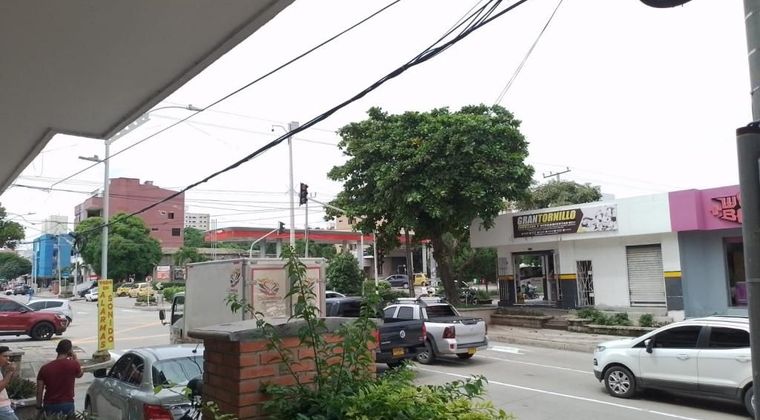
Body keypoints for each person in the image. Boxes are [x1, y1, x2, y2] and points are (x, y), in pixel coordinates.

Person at [36, 340, 83, 417]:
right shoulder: (74, 364)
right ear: (69, 351)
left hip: (49, 404)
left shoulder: (44, 368)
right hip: (67, 404)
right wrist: (75, 358)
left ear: (57, 350)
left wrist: (38, 407)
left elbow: (39, 391)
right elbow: (80, 374)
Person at [0, 346, 19, 420]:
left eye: (8, 356)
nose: (8, 358)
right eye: (5, 356)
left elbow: (6, 384)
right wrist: (10, 372)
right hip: (2, 407)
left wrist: (11, 372)